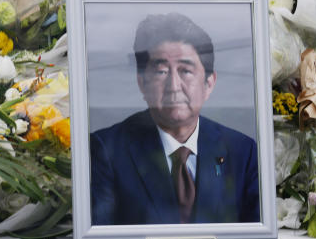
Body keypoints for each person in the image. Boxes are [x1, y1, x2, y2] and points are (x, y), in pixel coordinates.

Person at [90, 12, 260, 225]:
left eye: (186, 71)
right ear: (142, 83)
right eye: (161, 71)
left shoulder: (242, 152)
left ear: (209, 84)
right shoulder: (107, 150)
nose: (174, 86)